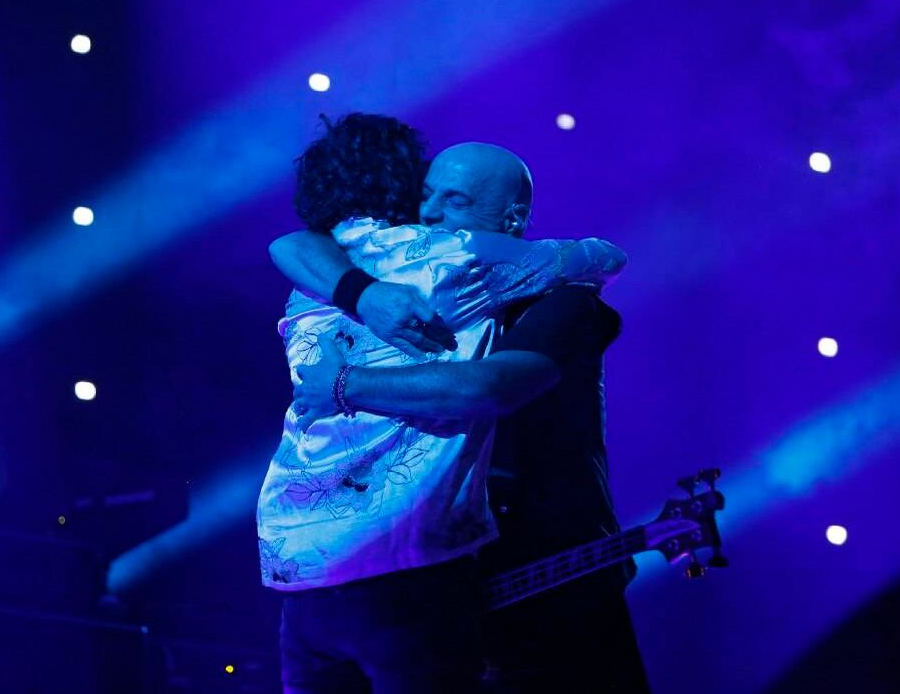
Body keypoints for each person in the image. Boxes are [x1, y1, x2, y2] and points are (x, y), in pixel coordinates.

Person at [258, 114, 627, 693]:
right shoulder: (449, 261)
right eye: (424, 193)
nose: (429, 213)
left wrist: (347, 358)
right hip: (403, 562)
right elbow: (603, 256)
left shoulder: (308, 276)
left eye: (452, 200)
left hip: (300, 556)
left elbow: (286, 241)